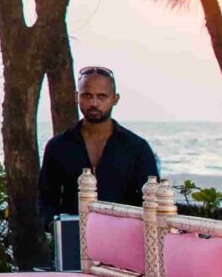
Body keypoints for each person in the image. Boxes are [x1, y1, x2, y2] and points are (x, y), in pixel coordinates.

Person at [37, 66, 161, 218]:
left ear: (115, 99)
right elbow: (46, 198)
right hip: (72, 236)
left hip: (124, 236)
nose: (94, 103)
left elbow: (153, 201)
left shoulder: (136, 148)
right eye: (87, 96)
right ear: (77, 96)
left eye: (102, 96)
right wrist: (54, 225)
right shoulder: (58, 146)